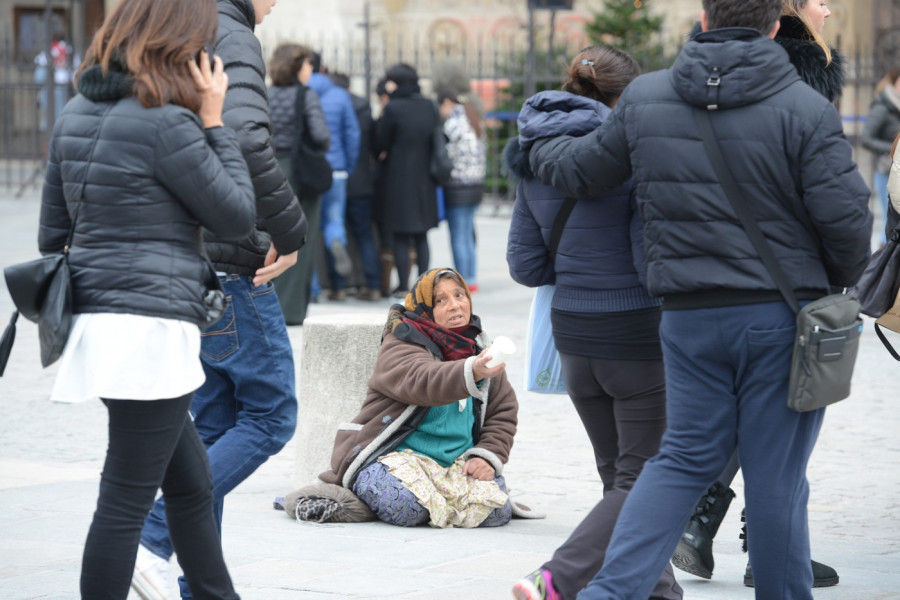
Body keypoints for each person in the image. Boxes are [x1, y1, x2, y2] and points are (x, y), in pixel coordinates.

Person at [527, 0, 872, 597]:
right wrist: (828, 285)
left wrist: (536, 138)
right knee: (774, 477)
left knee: (680, 462)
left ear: (704, 20)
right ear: (773, 26)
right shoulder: (805, 107)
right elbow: (848, 230)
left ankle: (608, 594)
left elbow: (584, 171)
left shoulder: (645, 98)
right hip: (778, 319)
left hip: (685, 317)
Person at [39, 0, 256, 597]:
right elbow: (237, 215)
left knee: (189, 483)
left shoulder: (77, 112)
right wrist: (215, 120)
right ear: (177, 42)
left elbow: (50, 235)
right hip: (149, 332)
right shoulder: (167, 123)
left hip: (102, 327)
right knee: (124, 502)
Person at [133, 0, 308, 598]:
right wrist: (289, 232)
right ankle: (154, 537)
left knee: (213, 430)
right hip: (234, 258)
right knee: (271, 416)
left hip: (188, 256)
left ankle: (197, 586)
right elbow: (246, 140)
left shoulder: (178, 22)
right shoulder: (230, 30)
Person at [674, 0, 845, 588]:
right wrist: (841, 275)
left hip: (705, 284)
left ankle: (704, 527)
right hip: (779, 283)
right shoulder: (796, 72)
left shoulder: (710, 66)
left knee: (737, 426)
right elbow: (819, 195)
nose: (833, 7)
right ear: (791, 9)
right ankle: (766, 552)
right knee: (779, 433)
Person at [506, 45, 682, 600]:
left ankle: (658, 587)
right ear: (625, 96)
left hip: (572, 338)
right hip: (633, 334)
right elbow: (649, 259)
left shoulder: (532, 153)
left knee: (620, 475)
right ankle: (558, 576)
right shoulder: (631, 152)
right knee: (646, 475)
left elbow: (525, 265)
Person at [318, 268, 518, 528]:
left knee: (498, 512)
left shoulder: (478, 348)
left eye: (459, 295)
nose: (455, 306)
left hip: (453, 464)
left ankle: (437, 504)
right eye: (440, 300)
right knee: (405, 508)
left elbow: (503, 411)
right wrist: (471, 371)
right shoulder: (402, 342)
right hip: (398, 458)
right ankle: (418, 502)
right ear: (425, 309)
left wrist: (486, 456)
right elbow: (422, 379)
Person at [268, 43, 331, 325]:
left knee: (272, 237)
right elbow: (321, 136)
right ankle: (291, 309)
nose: (310, 70)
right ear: (296, 67)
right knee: (301, 241)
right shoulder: (306, 97)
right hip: (300, 173)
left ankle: (268, 303)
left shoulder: (265, 94)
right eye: (307, 65)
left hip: (269, 169)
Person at [374, 63, 441, 298]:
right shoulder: (429, 106)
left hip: (399, 179)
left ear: (396, 83)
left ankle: (403, 286)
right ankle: (424, 286)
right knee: (421, 235)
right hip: (425, 180)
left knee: (401, 236)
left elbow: (380, 141)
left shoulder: (394, 108)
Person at [307, 53, 360, 301]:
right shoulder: (340, 95)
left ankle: (314, 288)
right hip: (337, 170)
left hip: (310, 171)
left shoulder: (302, 92)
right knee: (333, 220)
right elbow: (352, 134)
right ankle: (336, 242)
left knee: (307, 229)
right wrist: (347, 166)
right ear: (324, 68)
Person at [330, 71, 382, 301]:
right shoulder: (363, 107)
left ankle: (338, 286)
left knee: (333, 230)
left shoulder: (327, 104)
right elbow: (373, 144)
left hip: (335, 177)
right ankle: (373, 285)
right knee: (364, 235)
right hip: (361, 180)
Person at [438, 86, 486, 293]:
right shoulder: (473, 120)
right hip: (475, 185)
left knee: (458, 234)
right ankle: (472, 277)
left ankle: (463, 279)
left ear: (447, 103)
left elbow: (445, 155)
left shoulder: (453, 123)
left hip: (458, 186)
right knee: (467, 232)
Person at [862, 68, 900, 244]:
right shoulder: (883, 106)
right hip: (886, 170)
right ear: (894, 82)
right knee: (890, 223)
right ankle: (881, 266)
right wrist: (893, 149)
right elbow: (866, 138)